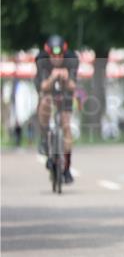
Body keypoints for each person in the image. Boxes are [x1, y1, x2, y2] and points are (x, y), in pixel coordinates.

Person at [35, 35, 78, 184]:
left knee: (66, 125)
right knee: (45, 102)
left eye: (60, 55)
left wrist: (66, 78)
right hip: (48, 88)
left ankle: (67, 168)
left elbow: (73, 86)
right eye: (53, 55)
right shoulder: (41, 60)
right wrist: (53, 77)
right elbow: (43, 86)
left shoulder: (72, 59)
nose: (57, 58)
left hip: (65, 91)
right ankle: (44, 137)